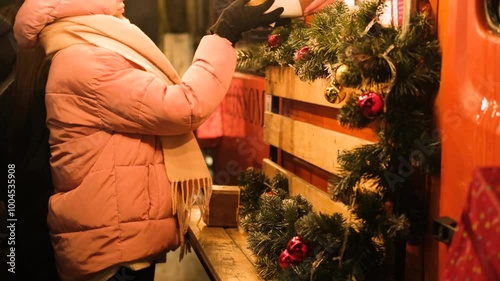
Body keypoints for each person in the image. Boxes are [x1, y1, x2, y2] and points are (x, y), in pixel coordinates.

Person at [12, 0, 284, 280]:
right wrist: (223, 35)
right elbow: (184, 107)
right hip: (113, 253)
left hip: (115, 239)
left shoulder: (82, 50)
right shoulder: (89, 60)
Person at [1, 2, 60, 281]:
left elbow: (9, 174)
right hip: (54, 220)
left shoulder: (12, 96)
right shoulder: (58, 91)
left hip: (19, 212)